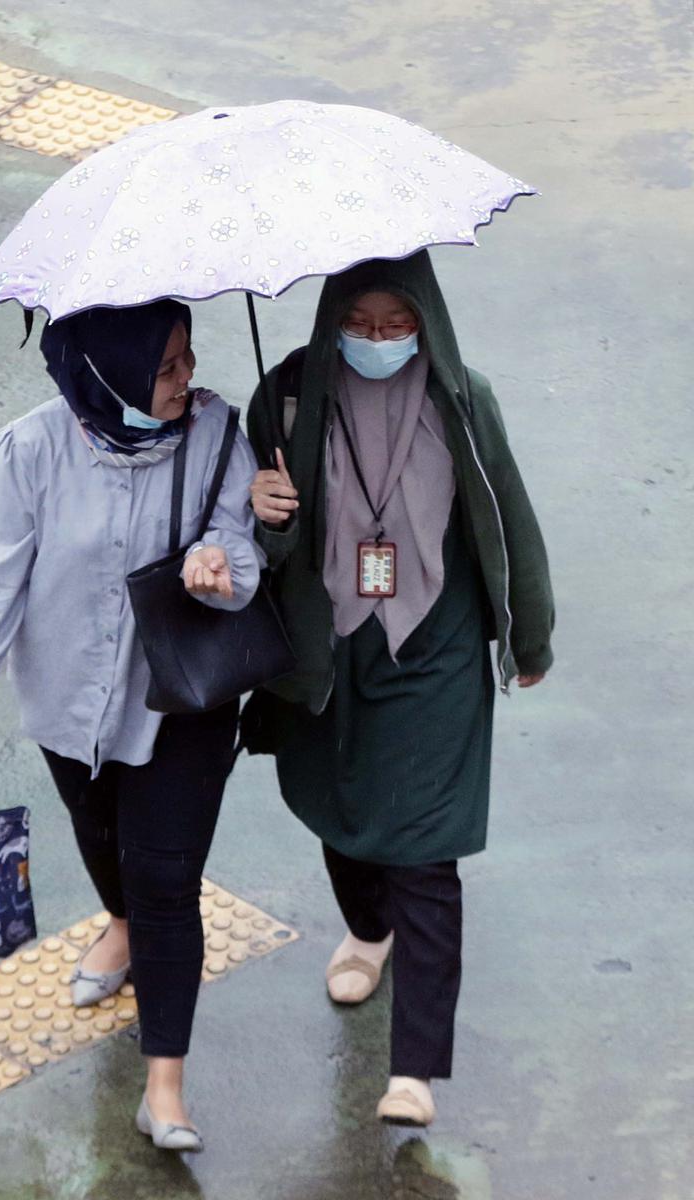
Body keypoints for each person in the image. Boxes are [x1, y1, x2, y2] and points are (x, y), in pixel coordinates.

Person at [0, 299, 263, 1151]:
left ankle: (164, 1088)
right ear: (108, 371)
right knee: (100, 833)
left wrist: (226, 562)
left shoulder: (219, 433)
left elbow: (242, 538)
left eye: (188, 358)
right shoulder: (32, 451)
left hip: (180, 702)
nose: (186, 380)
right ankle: (116, 923)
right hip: (68, 699)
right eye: (165, 368)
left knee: (165, 877)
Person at [243, 250, 554, 1127]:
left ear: (428, 320)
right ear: (332, 318)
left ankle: (414, 1067)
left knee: (425, 849)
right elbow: (249, 540)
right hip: (329, 646)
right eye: (359, 324)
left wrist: (531, 634)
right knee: (345, 815)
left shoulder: (465, 400)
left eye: (397, 324)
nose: (378, 341)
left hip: (437, 650)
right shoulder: (289, 397)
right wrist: (260, 504)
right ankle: (365, 930)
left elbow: (511, 521)